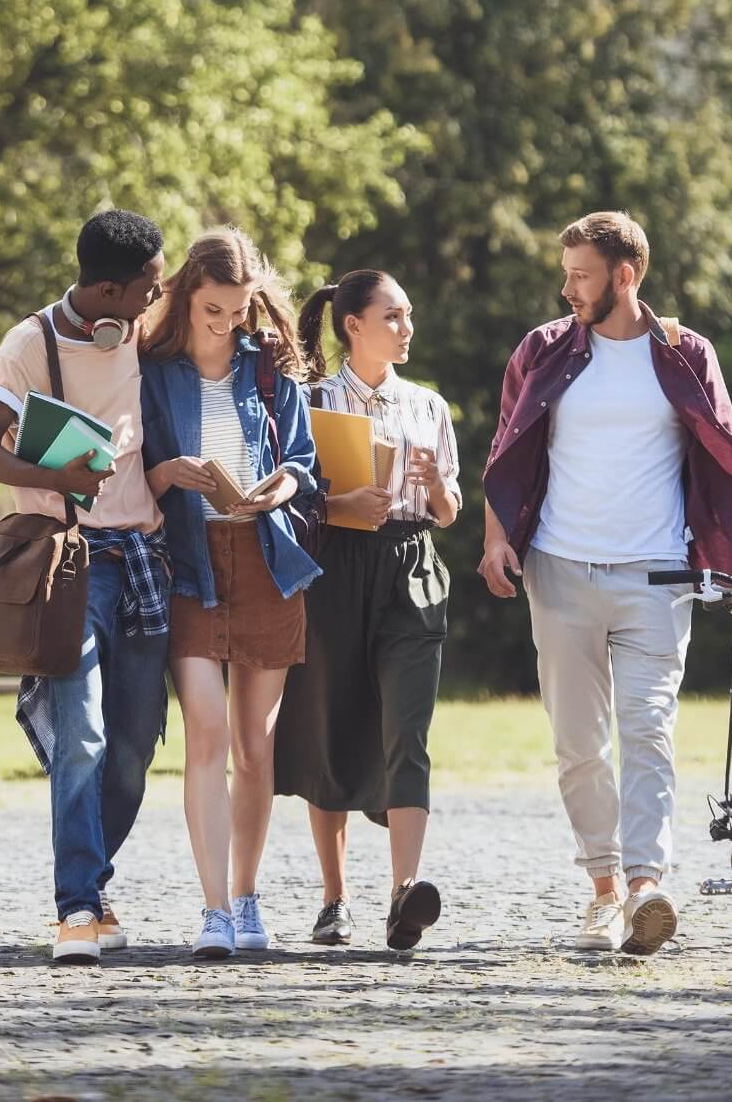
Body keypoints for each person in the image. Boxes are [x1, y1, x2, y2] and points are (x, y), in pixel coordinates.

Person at [479, 211, 732, 956]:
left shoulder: (684, 354)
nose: (568, 287)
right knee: (579, 744)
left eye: (581, 275)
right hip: (560, 568)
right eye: (568, 273)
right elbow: (508, 448)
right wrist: (494, 540)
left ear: (625, 275)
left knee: (648, 728)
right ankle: (603, 891)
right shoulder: (544, 350)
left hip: (656, 575)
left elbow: (722, 455)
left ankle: (646, 886)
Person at [0, 209, 167, 966]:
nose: (155, 298)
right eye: (147, 287)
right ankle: (76, 907)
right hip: (67, 563)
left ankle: (93, 880)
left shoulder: (149, 332)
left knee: (135, 747)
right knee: (79, 733)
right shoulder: (30, 343)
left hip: (142, 559)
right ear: (108, 288)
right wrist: (55, 477)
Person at [140, 229, 321, 960]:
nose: (227, 324)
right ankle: (213, 910)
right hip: (188, 566)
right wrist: (166, 475)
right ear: (187, 294)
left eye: (239, 310)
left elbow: (303, 463)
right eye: (213, 310)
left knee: (255, 744)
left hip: (267, 559)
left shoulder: (270, 368)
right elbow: (128, 471)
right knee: (207, 734)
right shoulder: (151, 370)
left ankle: (247, 898)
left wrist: (282, 485)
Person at [274, 269, 460, 953]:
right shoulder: (311, 401)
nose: (407, 328)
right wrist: (342, 506)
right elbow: (292, 496)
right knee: (332, 721)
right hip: (334, 568)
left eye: (409, 316)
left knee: (407, 731)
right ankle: (334, 899)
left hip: (412, 564)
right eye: (394, 316)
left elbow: (449, 512)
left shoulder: (428, 406)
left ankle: (404, 895)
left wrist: (437, 484)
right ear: (353, 324)